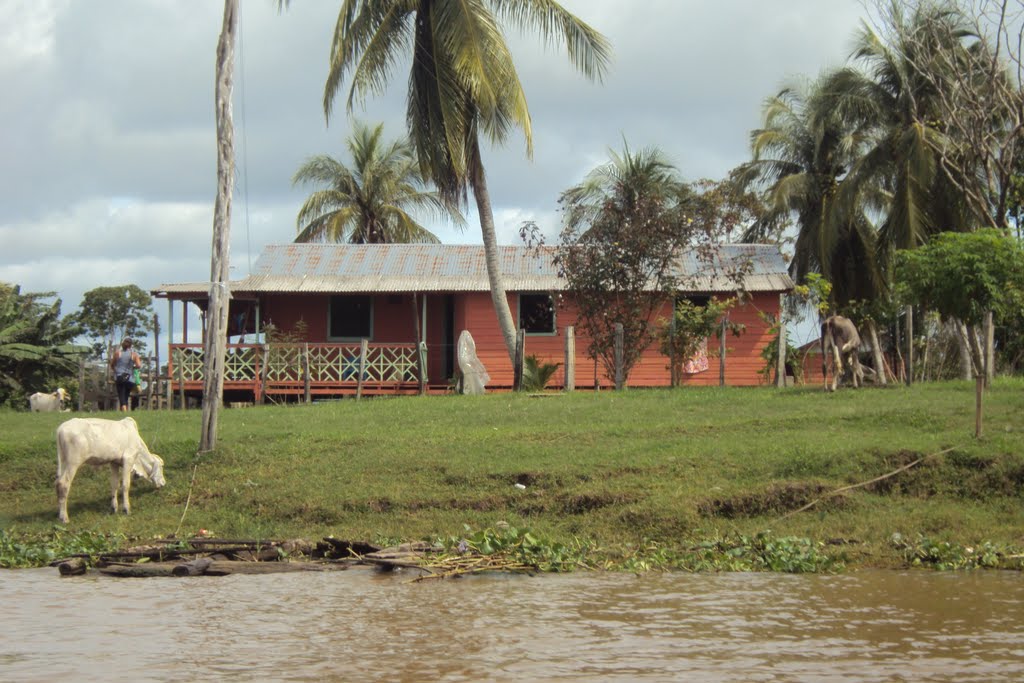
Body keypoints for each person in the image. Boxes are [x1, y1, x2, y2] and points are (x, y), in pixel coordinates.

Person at [110, 337, 141, 412]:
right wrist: (132, 367)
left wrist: (116, 371)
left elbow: (112, 365)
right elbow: (138, 366)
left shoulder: (118, 353)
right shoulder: (134, 355)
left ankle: (124, 409)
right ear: (131, 346)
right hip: (130, 378)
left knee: (121, 395)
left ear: (122, 344)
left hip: (120, 377)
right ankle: (127, 409)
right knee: (126, 395)